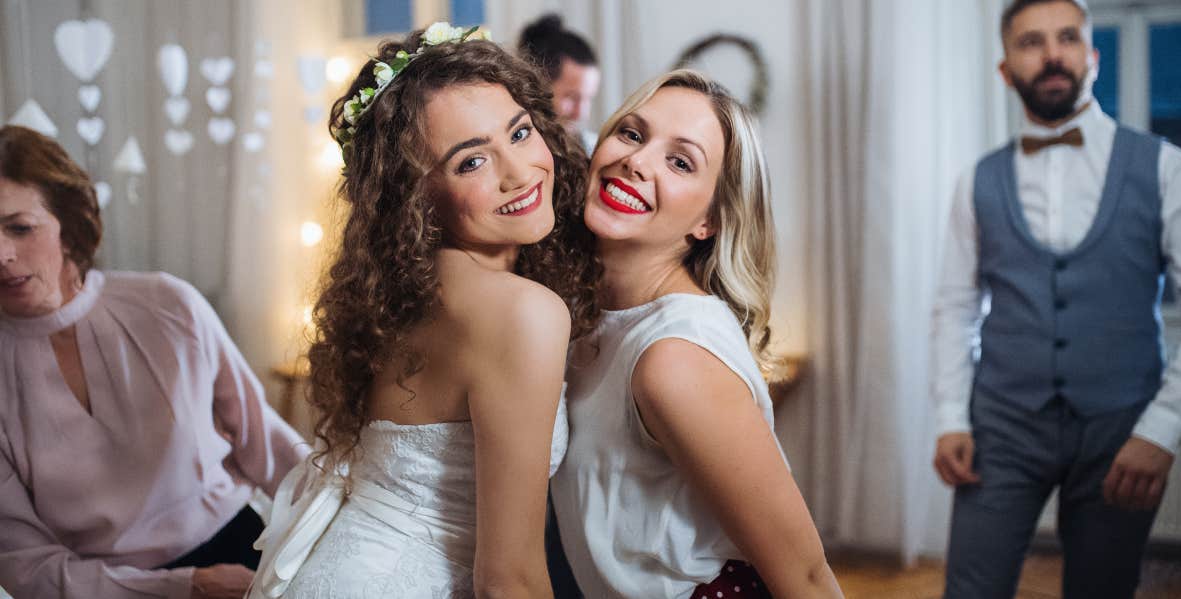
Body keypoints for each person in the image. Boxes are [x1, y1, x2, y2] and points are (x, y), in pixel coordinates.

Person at [246, 23, 601, 599]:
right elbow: (510, 580)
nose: (519, 171)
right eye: (471, 163)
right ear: (414, 197)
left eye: (519, 132)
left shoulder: (404, 292)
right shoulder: (521, 312)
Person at [931, 1, 1181, 597]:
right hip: (1000, 426)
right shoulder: (976, 180)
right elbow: (955, 306)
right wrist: (950, 415)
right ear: (1005, 69)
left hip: (1121, 428)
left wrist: (1160, 431)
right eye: (1031, 42)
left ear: (1092, 56)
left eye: (1067, 38)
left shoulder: (1168, 169)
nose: (1052, 54)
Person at [550, 69, 844, 599]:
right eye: (632, 134)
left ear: (708, 221)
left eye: (680, 161)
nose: (636, 162)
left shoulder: (674, 357)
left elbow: (805, 574)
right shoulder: (583, 315)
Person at [0, 124, 308, 599]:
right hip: (104, 590)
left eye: (20, 228)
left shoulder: (167, 304)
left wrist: (343, 527)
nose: (2, 254)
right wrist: (182, 587)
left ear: (67, 225)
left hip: (242, 549)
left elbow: (265, 441)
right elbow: (25, 565)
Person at [518, 14, 601, 153]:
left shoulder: (593, 149)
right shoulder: (519, 151)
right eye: (572, 97)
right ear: (535, 87)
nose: (581, 113)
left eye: (588, 98)